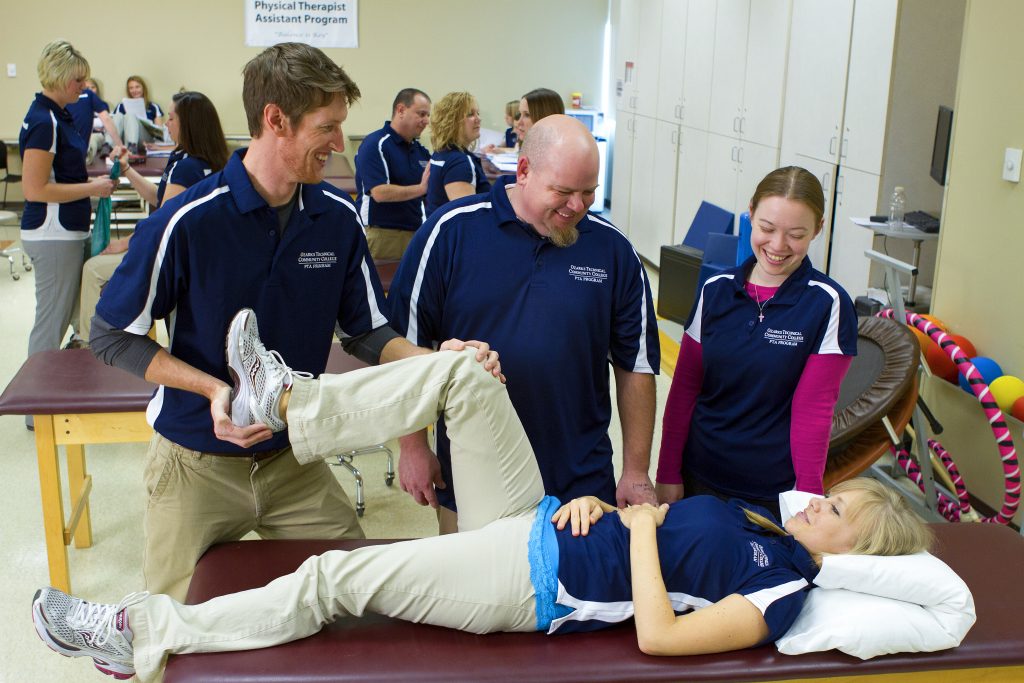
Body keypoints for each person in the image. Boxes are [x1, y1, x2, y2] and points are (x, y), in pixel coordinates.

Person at [30, 310, 933, 682]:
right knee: (463, 376)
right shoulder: (755, 521)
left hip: (527, 580)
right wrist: (615, 513)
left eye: (839, 513)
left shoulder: (781, 590)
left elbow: (660, 633)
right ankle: (289, 404)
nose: (821, 503)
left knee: (335, 577)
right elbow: (647, 533)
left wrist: (645, 526)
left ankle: (139, 634)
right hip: (545, 517)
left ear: (855, 551)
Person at [87, 43, 501, 601]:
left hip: (291, 461)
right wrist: (211, 388)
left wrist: (440, 361)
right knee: (167, 632)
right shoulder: (187, 222)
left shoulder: (336, 218)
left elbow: (366, 331)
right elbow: (111, 335)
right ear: (274, 120)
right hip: (194, 463)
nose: (339, 146)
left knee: (356, 599)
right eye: (327, 129)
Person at [389, 115, 660, 534]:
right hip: (472, 471)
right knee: (470, 592)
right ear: (524, 171)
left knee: (578, 597)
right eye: (564, 192)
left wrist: (637, 470)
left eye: (589, 192)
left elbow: (636, 366)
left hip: (579, 480)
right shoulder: (450, 232)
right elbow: (405, 347)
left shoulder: (613, 250)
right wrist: (413, 446)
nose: (577, 206)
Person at [656, 166, 858, 519]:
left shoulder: (827, 304)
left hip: (772, 493)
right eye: (766, 228)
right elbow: (685, 390)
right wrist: (667, 472)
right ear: (750, 213)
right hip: (698, 477)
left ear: (818, 229)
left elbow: (814, 411)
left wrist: (807, 498)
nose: (778, 246)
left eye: (796, 234)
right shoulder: (715, 290)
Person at [78, 90, 230, 342]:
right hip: (196, 256)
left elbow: (162, 224)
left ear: (188, 124)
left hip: (170, 258)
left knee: (93, 270)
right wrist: (126, 169)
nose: (166, 124)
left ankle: (87, 345)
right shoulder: (208, 161)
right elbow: (159, 198)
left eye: (171, 118)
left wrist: (124, 243)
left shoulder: (185, 168)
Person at [18, 41, 117, 427]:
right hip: (51, 232)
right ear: (60, 77)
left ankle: (56, 394)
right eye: (78, 79)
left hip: (66, 230)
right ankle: (34, 410)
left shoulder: (57, 116)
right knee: (52, 320)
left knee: (73, 317)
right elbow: (34, 189)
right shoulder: (44, 121)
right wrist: (92, 190)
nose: (84, 86)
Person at [354, 88, 432, 260]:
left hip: (416, 233)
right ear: (401, 110)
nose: (426, 121)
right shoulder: (375, 144)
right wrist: (421, 189)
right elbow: (379, 193)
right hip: (383, 235)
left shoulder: (420, 151)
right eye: (421, 114)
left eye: (428, 115)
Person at [423, 91, 491, 217]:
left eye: (478, 113)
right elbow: (467, 219)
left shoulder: (441, 153)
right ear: (452, 122)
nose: (478, 119)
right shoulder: (459, 162)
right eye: (470, 114)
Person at [65, 77, 123, 164]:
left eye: (93, 87)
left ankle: (89, 153)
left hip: (97, 135)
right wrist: (121, 146)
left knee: (93, 138)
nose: (90, 89)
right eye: (88, 87)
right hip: (80, 141)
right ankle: (86, 154)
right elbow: (105, 119)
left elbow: (107, 120)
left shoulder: (99, 102)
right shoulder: (84, 97)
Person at [109, 75, 164, 151]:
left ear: (143, 88)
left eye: (137, 87)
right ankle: (108, 146)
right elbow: (114, 125)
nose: (134, 90)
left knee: (131, 115)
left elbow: (159, 132)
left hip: (144, 139)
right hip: (124, 140)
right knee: (118, 116)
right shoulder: (121, 106)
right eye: (131, 88)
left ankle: (132, 147)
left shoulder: (153, 107)